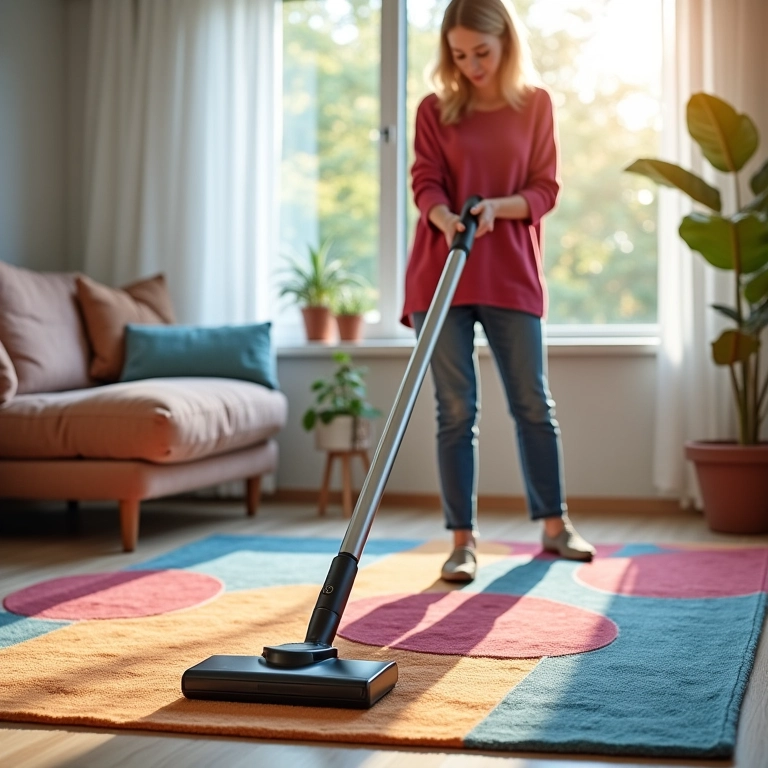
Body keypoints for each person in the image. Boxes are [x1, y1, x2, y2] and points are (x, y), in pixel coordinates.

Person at [402, 0, 595, 583]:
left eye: (481, 52)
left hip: (510, 270)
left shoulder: (535, 104)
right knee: (456, 410)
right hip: (442, 272)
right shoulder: (435, 109)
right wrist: (447, 220)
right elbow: (425, 182)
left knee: (533, 404)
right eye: (459, 54)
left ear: (506, 43)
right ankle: (462, 542)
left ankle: (555, 527)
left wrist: (494, 210)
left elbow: (545, 189)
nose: (471, 65)